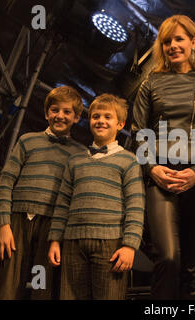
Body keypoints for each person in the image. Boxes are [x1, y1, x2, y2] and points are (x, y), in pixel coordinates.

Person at [131, 15, 195, 299]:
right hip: (160, 174)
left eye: (179, 39)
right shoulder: (150, 83)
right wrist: (152, 169)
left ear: (193, 41)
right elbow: (138, 132)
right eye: (167, 41)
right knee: (169, 257)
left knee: (193, 266)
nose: (173, 45)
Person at [47, 94, 145, 300]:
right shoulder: (75, 161)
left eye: (107, 117)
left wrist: (129, 245)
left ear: (120, 124)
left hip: (110, 243)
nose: (100, 120)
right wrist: (55, 240)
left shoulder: (128, 160)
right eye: (95, 116)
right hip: (72, 242)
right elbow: (63, 203)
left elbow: (135, 205)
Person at [0, 86, 86, 299]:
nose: (60, 116)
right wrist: (3, 225)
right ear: (46, 113)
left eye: (67, 112)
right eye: (55, 110)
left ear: (77, 117)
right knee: (8, 286)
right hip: (16, 226)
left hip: (51, 229)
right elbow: (6, 181)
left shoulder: (80, 153)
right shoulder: (28, 141)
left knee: (41, 286)